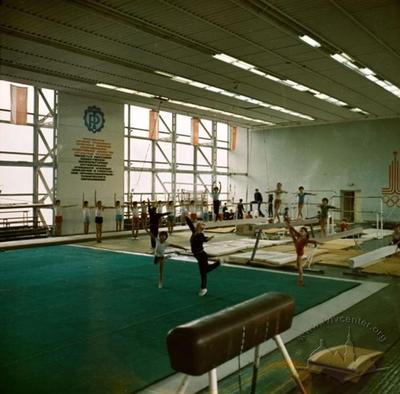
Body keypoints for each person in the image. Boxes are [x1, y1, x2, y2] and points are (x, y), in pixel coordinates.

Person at [185, 216, 220, 296]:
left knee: (203, 272)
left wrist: (209, 238)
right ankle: (218, 263)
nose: (196, 226)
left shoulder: (200, 235)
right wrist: (186, 218)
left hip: (201, 255)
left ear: (201, 229)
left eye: (199, 226)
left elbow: (205, 239)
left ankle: (203, 288)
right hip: (198, 255)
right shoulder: (194, 232)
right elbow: (190, 225)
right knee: (205, 270)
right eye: (197, 225)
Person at [285, 219, 319, 287]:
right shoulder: (299, 236)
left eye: (302, 231)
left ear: (306, 233)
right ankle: (288, 224)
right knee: (292, 233)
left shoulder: (304, 239)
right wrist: (289, 225)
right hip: (298, 248)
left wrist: (315, 243)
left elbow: (311, 241)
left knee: (299, 267)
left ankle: (301, 280)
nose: (300, 231)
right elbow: (294, 230)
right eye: (300, 230)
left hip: (300, 253)